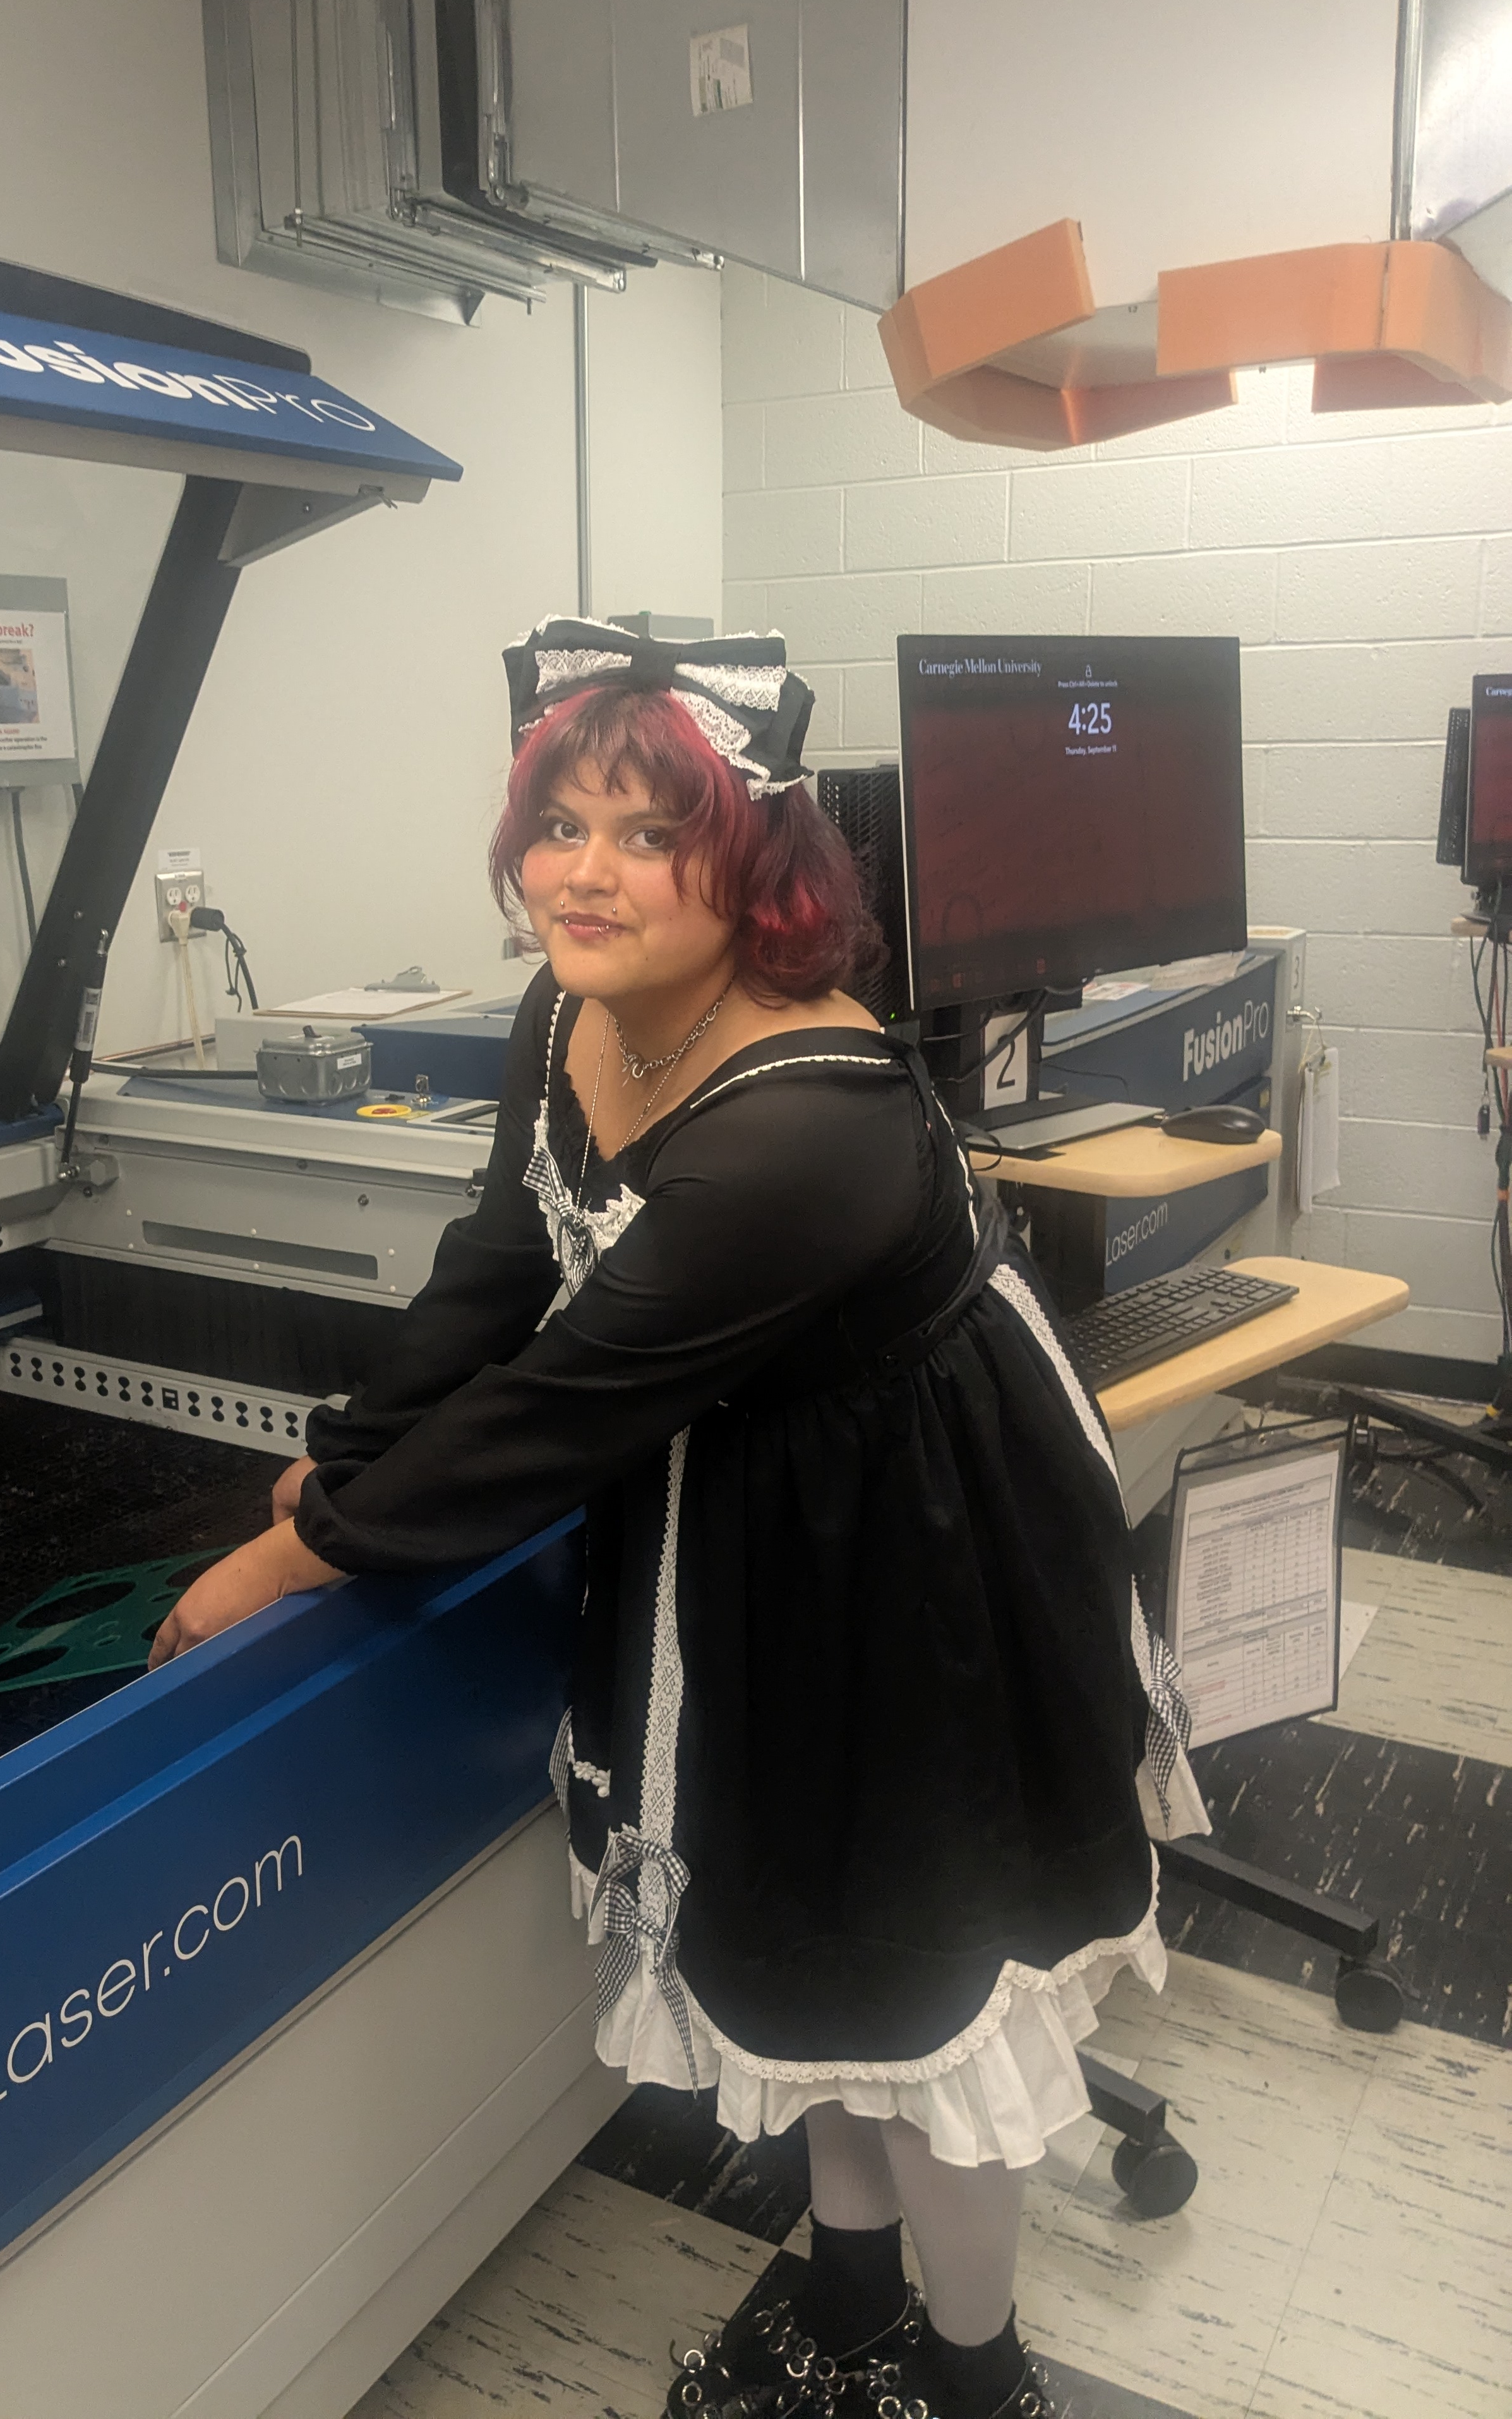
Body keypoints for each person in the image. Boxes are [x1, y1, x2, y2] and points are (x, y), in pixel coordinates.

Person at [148, 620, 1205, 2419]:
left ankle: (978, 2377)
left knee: (919, 1973)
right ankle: (855, 2300)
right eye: (559, 823)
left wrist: (291, 1554)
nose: (585, 871)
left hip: (910, 1545)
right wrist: (351, 1451)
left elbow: (565, 1407)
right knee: (793, 1934)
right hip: (745, 1495)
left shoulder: (808, 1124)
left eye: (650, 834)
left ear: (756, 861)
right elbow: (501, 1269)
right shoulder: (567, 1011)